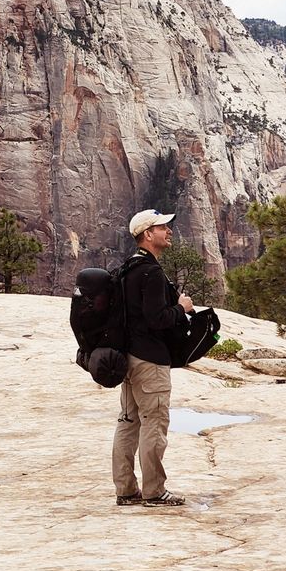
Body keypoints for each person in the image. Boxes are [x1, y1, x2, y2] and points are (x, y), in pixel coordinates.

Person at [112, 209, 194, 506]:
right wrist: (182, 308)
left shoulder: (127, 269)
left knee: (128, 422)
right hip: (150, 362)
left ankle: (126, 490)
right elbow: (157, 319)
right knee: (154, 423)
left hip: (129, 359)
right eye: (163, 227)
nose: (168, 231)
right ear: (148, 234)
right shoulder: (151, 272)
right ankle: (154, 491)